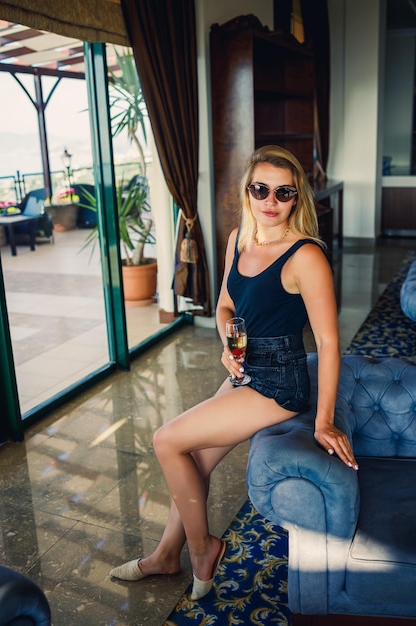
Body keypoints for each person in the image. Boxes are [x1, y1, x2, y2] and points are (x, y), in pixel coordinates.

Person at [110, 144, 358, 600]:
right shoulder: (238, 239)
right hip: (247, 371)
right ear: (247, 191)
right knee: (194, 463)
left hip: (279, 381)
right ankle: (168, 554)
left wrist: (323, 420)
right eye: (260, 188)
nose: (270, 200)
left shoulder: (305, 256)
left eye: (283, 192)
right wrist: (229, 344)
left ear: (297, 198)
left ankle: (204, 549)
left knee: (167, 439)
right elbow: (226, 306)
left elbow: (327, 341)